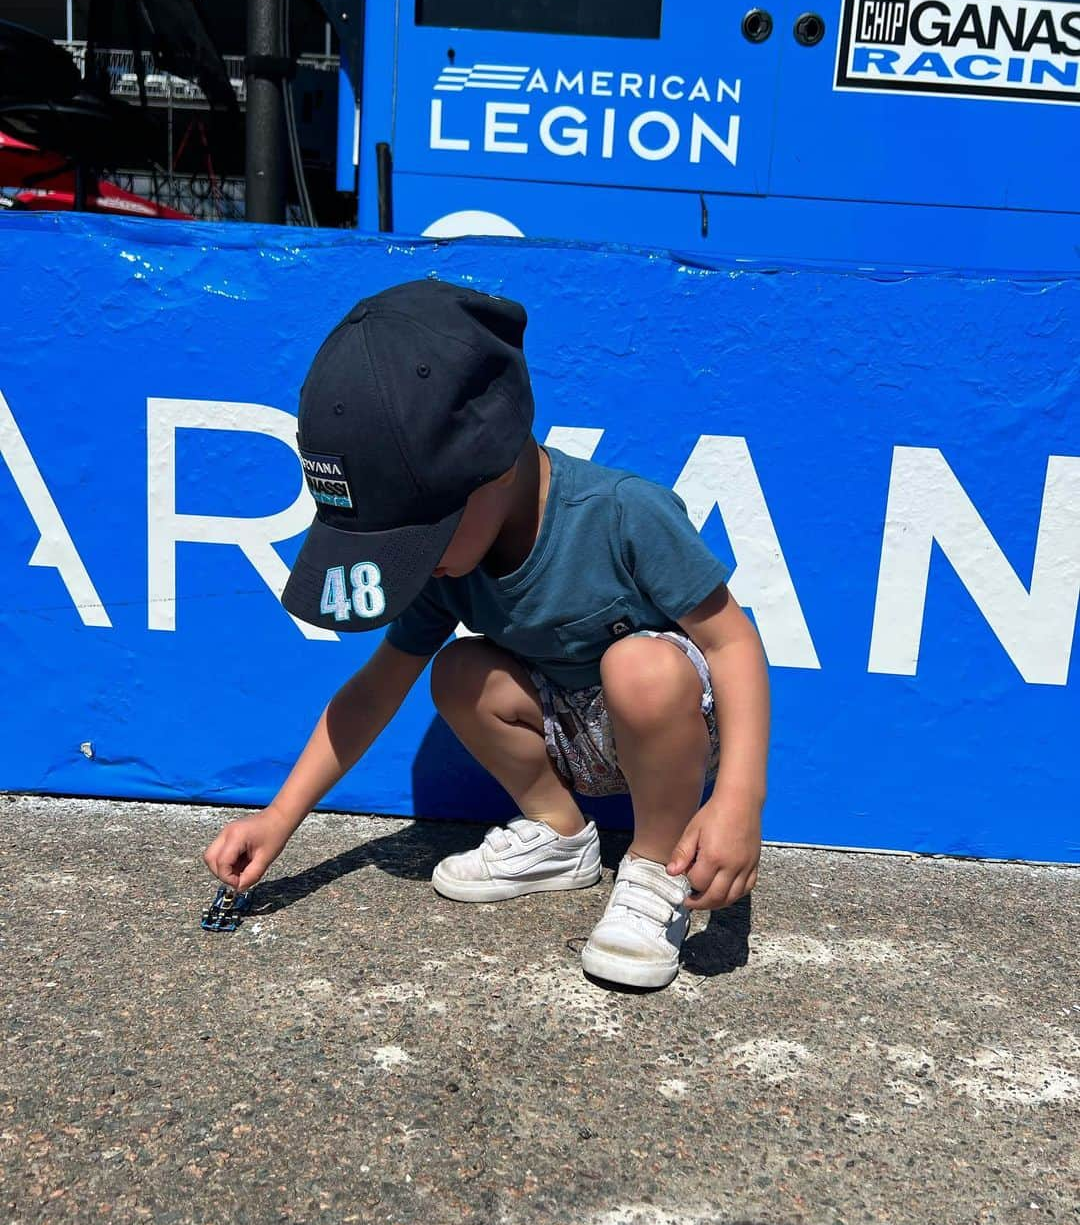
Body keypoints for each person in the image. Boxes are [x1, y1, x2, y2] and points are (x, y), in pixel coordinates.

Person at [203, 278, 769, 990]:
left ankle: (655, 870)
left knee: (640, 666)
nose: (420, 561)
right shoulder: (449, 568)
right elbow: (375, 691)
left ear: (494, 465)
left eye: (421, 535)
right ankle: (562, 838)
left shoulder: (624, 512)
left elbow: (733, 644)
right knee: (457, 672)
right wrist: (277, 822)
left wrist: (738, 801)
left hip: (669, 726)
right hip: (572, 732)